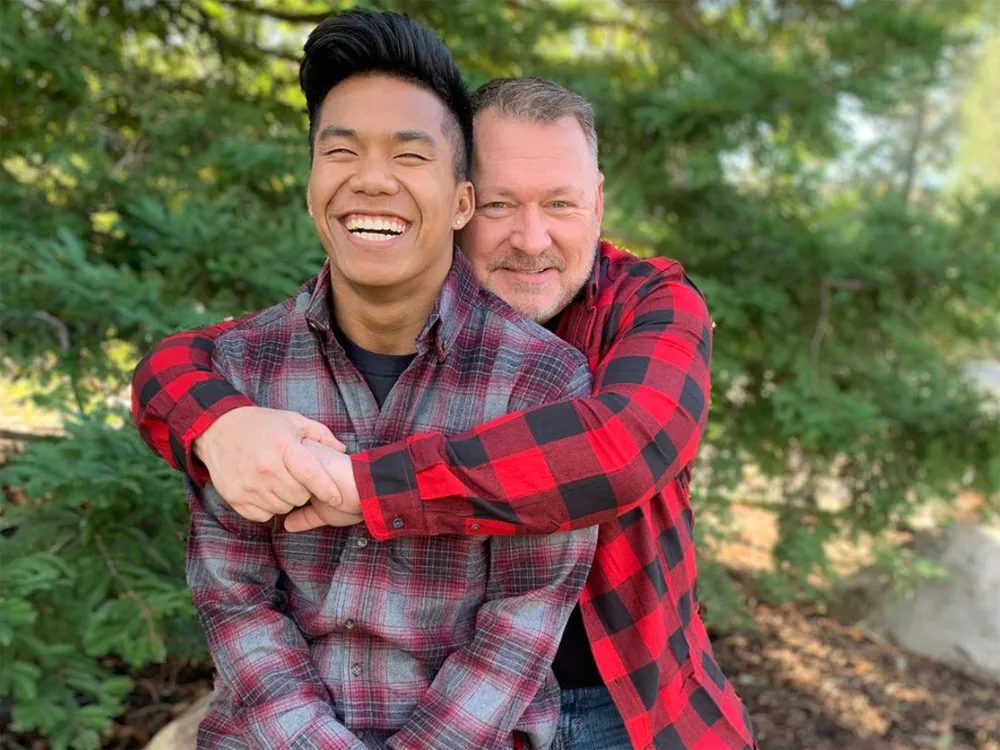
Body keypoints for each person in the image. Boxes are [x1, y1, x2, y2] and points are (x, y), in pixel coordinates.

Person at [133, 76, 759, 750]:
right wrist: (219, 423)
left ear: (598, 201)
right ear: (458, 203)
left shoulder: (650, 302)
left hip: (627, 701)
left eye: (560, 203)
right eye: (499, 204)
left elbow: (622, 448)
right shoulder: (386, 314)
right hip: (449, 707)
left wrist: (366, 488)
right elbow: (178, 365)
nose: (532, 239)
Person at [179, 10, 599, 749]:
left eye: (408, 155)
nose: (371, 180)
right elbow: (234, 599)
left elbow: (522, 621)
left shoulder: (543, 381)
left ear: (462, 201)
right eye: (341, 151)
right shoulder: (243, 369)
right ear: (311, 182)